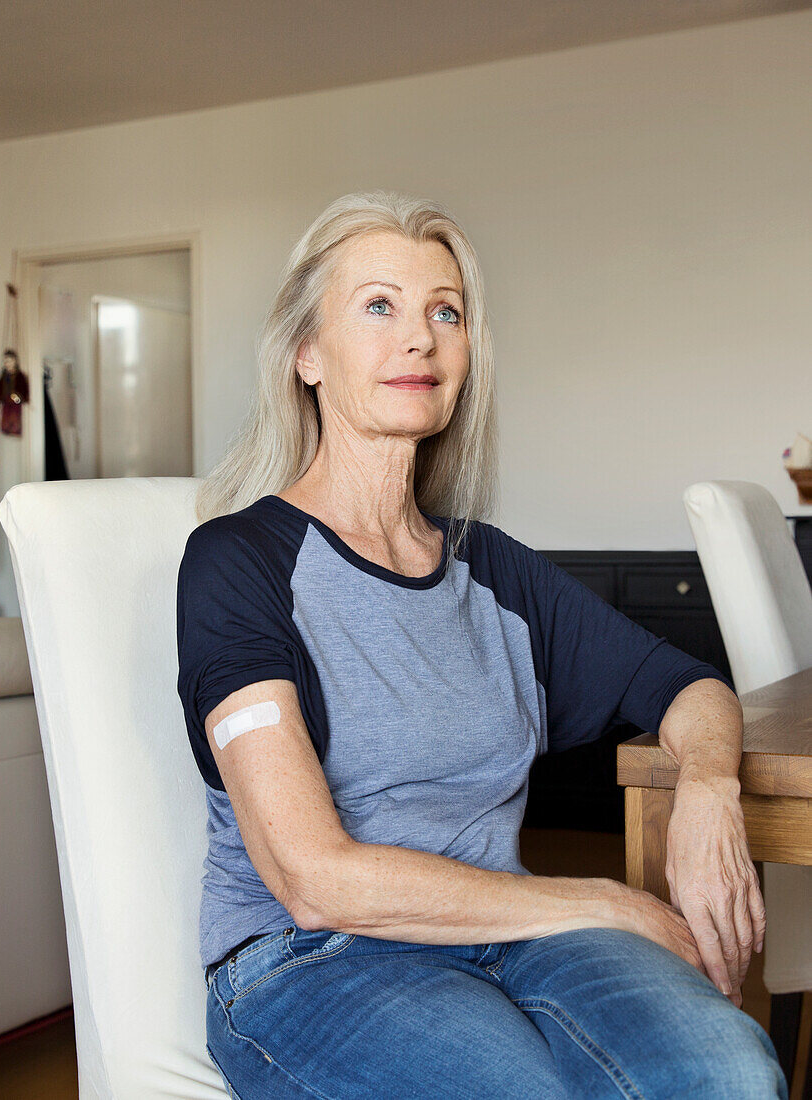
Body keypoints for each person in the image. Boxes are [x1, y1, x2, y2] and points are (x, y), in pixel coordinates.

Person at [176, 190, 788, 1099]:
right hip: (310, 963)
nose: (418, 338)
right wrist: (605, 902)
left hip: (508, 937)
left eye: (445, 312)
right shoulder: (239, 562)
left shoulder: (489, 569)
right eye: (377, 305)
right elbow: (315, 879)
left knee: (730, 1069)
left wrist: (706, 788)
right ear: (306, 353)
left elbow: (687, 685)